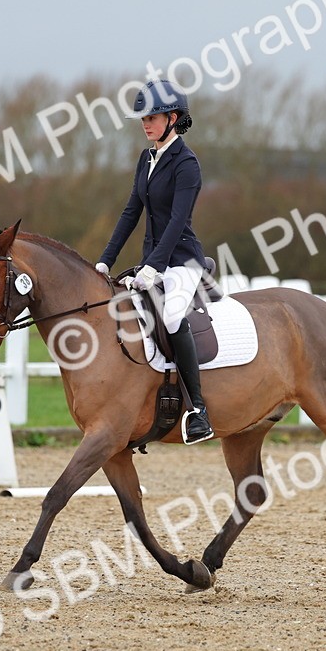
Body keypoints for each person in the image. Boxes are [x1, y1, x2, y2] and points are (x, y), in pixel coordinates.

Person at [95, 80, 214, 444]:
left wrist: (154, 267)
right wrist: (104, 261)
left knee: (173, 316)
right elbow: (131, 212)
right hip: (153, 260)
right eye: (142, 118)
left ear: (172, 118)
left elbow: (178, 222)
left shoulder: (187, 164)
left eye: (152, 118)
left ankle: (198, 411)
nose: (145, 124)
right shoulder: (146, 159)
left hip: (182, 262)